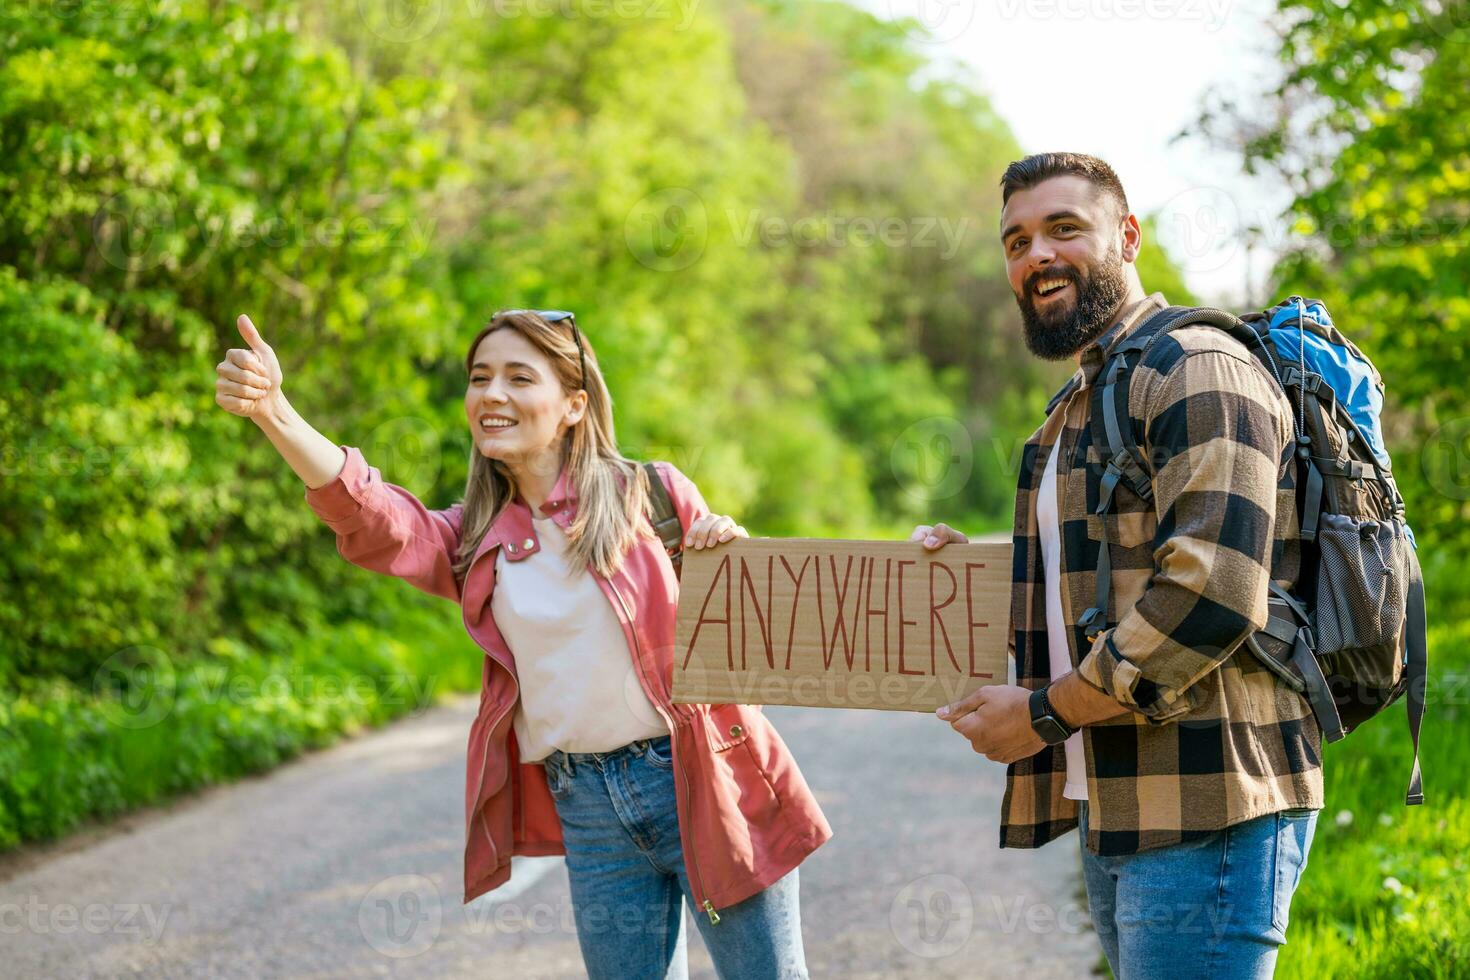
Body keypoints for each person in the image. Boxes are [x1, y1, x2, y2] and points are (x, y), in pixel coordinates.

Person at [215, 308, 830, 979]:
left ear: (573, 405)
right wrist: (276, 412)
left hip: (703, 780)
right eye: (480, 378)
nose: (492, 394)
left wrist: (729, 552)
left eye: (517, 377)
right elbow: (371, 515)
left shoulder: (648, 496)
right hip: (590, 808)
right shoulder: (475, 539)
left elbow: (753, 632)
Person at [912, 153, 1321, 979]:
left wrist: (1043, 714)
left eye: (1065, 228)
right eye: (1017, 241)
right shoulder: (1075, 403)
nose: (1037, 256)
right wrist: (964, 577)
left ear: (1127, 236)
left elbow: (1210, 593)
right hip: (1115, 794)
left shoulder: (1197, 367)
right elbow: (1101, 568)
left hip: (1210, 806)